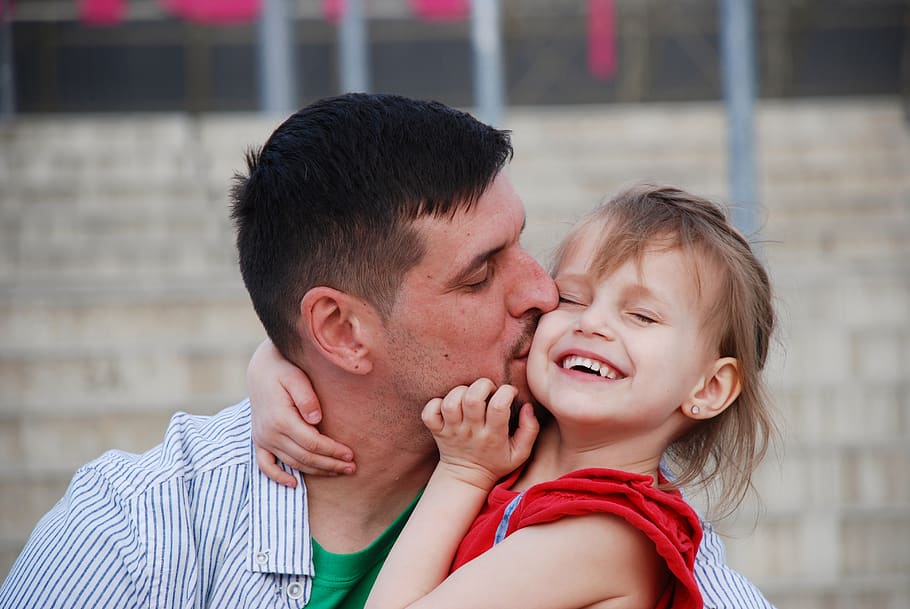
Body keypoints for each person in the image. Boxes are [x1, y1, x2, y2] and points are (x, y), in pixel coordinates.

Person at [0, 94, 775, 609]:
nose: (543, 294)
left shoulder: (562, 459)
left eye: (523, 245)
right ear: (339, 333)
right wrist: (273, 366)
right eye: (482, 273)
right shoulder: (136, 535)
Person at [249, 187, 779, 609]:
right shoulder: (512, 434)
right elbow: (356, 349)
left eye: (641, 316)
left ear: (709, 389)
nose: (592, 324)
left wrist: (463, 473)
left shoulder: (608, 534)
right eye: (571, 297)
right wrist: (271, 365)